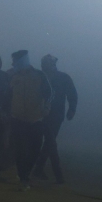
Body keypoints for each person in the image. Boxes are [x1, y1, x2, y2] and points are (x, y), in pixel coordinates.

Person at [7, 50, 52, 190]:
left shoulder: (39, 76)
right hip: (17, 119)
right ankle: (23, 177)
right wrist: (6, 112)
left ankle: (25, 173)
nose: (13, 63)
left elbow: (49, 94)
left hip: (35, 119)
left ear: (22, 60)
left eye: (14, 60)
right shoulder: (12, 77)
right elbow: (7, 96)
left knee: (35, 149)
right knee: (20, 150)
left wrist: (46, 109)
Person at [34, 54, 77, 183]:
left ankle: (39, 168)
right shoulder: (39, 78)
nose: (45, 66)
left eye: (47, 64)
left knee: (49, 142)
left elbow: (72, 94)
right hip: (41, 114)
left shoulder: (63, 78)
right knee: (50, 142)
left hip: (56, 115)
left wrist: (72, 109)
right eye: (44, 64)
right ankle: (57, 174)